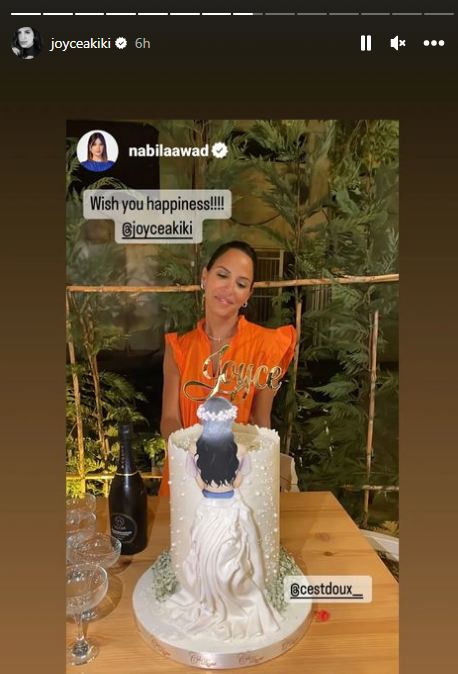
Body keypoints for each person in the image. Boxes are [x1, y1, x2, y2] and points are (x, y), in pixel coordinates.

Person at [159, 240, 296, 496]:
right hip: (185, 475)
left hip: (238, 480)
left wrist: (261, 479)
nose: (229, 289)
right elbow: (169, 418)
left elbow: (261, 422)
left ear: (248, 295)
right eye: (222, 275)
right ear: (205, 277)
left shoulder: (265, 346)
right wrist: (192, 454)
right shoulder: (179, 347)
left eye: (241, 284)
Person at [164, 397, 281, 640]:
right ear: (229, 422)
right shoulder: (241, 450)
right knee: (233, 556)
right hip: (229, 510)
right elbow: (237, 483)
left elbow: (199, 483)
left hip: (207, 509)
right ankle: (235, 596)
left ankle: (208, 598)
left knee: (203, 553)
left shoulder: (195, 450)